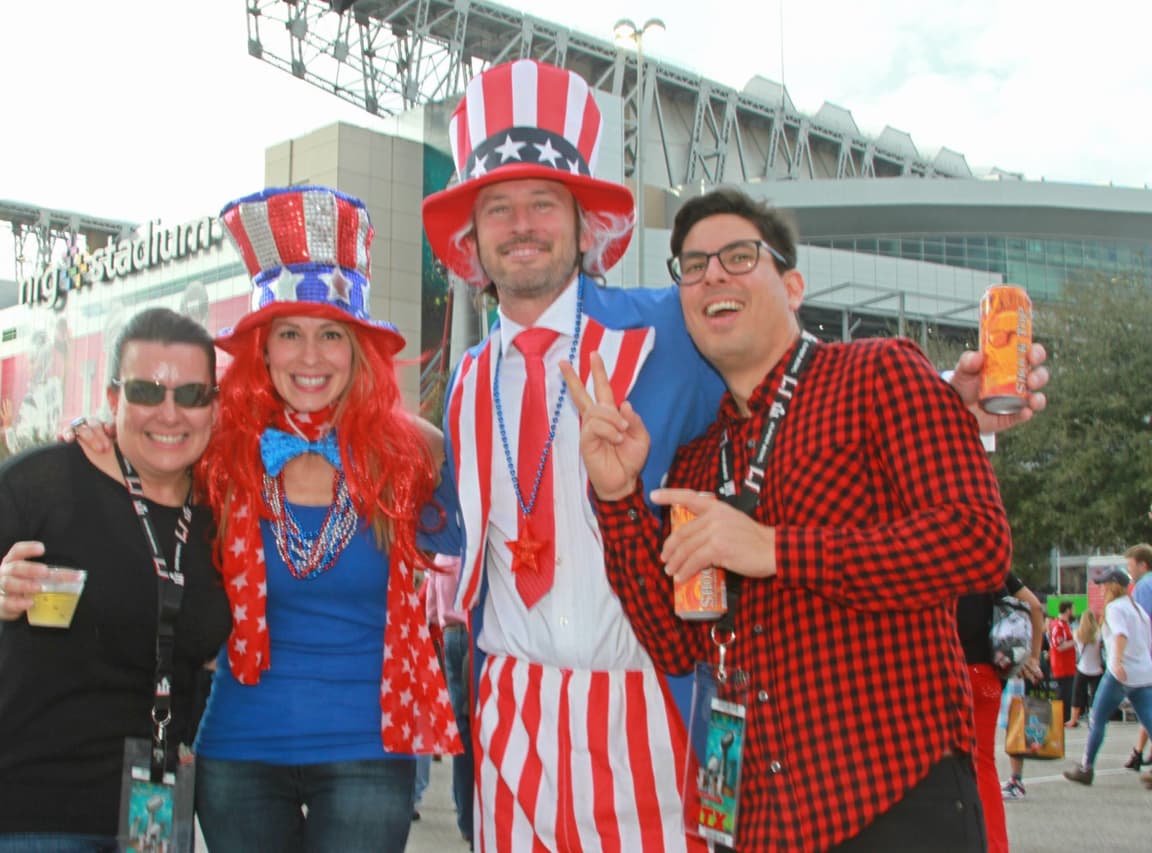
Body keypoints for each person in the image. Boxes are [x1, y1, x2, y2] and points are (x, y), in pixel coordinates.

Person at [423, 59, 1046, 853]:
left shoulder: (673, 322)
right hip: (522, 721)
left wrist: (951, 404)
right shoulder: (467, 378)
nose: (522, 224)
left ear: (587, 226)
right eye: (498, 206)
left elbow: (782, 355)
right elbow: (454, 524)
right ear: (470, 238)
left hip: (662, 720)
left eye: (545, 202)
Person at [565, 187, 1012, 852]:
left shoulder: (879, 372)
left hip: (891, 799)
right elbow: (675, 639)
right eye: (692, 265)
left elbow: (976, 540)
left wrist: (777, 549)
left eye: (739, 256)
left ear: (792, 285)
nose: (712, 273)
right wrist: (619, 494)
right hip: (753, 815)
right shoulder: (697, 460)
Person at [189, 185, 460, 852]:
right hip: (238, 751)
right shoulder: (219, 451)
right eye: (290, 334)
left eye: (330, 335)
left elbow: (500, 529)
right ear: (263, 349)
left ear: (358, 349)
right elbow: (135, 469)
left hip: (368, 750)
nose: (310, 357)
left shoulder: (414, 451)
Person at [0, 307, 232, 852]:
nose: (170, 413)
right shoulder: (47, 480)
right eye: (147, 392)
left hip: (152, 813)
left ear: (214, 407)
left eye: (192, 395)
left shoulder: (220, 512)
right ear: (114, 400)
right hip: (30, 807)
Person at [957, 572, 1037, 852]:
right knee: (984, 763)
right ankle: (996, 845)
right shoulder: (990, 566)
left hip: (952, 673)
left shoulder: (939, 564)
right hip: (987, 676)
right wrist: (1034, 658)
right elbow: (1034, 606)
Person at [1063, 564, 1152, 786]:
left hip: (1120, 673)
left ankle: (1086, 767)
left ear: (1113, 586)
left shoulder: (1114, 609)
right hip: (1143, 673)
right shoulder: (1139, 610)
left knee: (1097, 718)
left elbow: (1120, 635)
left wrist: (1117, 661)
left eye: (1103, 584)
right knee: (1149, 720)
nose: (1101, 588)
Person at [427, 554, 474, 848]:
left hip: (449, 635)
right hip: (472, 635)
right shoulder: (469, 554)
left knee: (461, 733)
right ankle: (475, 814)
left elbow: (430, 609)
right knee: (478, 726)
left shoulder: (439, 559)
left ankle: (464, 813)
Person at [998, 584, 1044, 802]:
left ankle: (1015, 780)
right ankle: (1016, 779)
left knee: (1013, 721)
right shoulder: (1002, 575)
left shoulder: (994, 576)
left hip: (990, 657)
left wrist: (1034, 657)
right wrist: (1033, 656)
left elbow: (1035, 606)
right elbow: (1035, 606)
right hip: (1010, 656)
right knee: (1014, 720)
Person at [1122, 543, 1152, 769]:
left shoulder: (1142, 586)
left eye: (1130, 565)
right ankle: (1138, 752)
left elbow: (1142, 621)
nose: (1128, 571)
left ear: (1143, 565)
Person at [1066, 608, 1103, 727]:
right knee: (1095, 695)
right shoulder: (1099, 634)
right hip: (1096, 669)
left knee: (1076, 694)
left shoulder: (1077, 633)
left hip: (1082, 668)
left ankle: (1073, 720)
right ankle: (1094, 719)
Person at [1049, 600, 1078, 729]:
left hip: (1069, 666)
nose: (1073, 612)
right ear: (1067, 610)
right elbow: (1059, 646)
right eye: (1072, 609)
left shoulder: (1066, 625)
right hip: (1061, 666)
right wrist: (1075, 641)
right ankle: (1060, 718)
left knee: (1067, 693)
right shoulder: (1058, 626)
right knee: (1062, 693)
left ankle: (1066, 718)